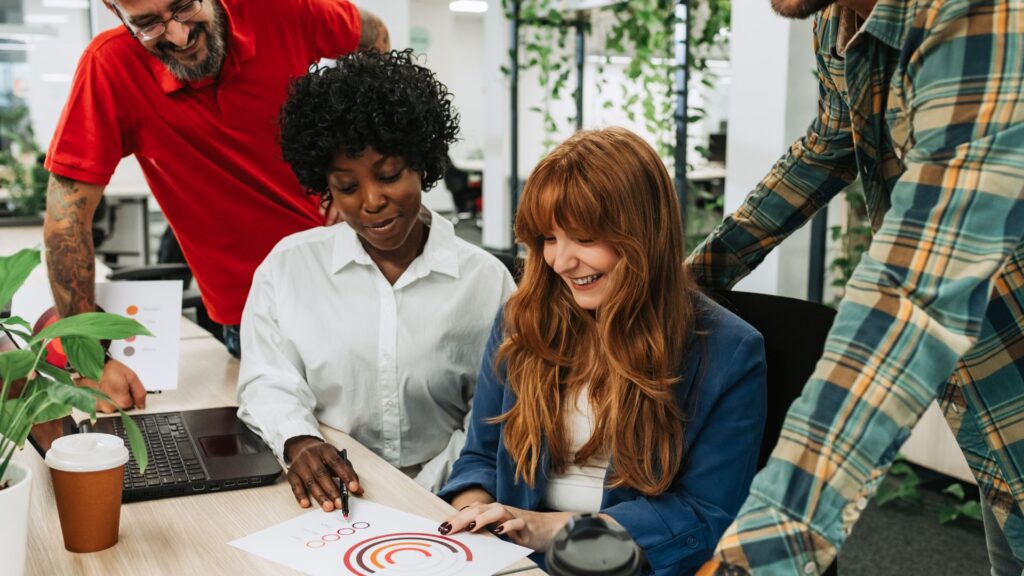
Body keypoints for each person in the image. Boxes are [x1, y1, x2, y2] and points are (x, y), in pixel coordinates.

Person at [689, 0, 1024, 575]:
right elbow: (827, 146)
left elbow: (914, 292)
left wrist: (755, 561)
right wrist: (680, 285)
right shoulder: (838, 21)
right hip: (1000, 391)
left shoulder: (982, 14)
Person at [437, 127, 769, 576]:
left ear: (642, 235)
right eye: (549, 239)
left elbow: (703, 514)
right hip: (513, 559)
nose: (561, 261)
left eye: (584, 239)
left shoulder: (731, 352)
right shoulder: (522, 321)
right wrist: (477, 519)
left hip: (625, 563)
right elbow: (481, 455)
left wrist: (547, 530)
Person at [42, 0, 389, 413]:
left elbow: (375, 36)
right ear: (117, 14)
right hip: (252, 318)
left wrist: (353, 167)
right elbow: (65, 223)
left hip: (354, 282)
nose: (178, 35)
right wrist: (91, 360)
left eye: (184, 7)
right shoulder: (110, 66)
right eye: (149, 24)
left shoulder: (281, 10)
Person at [237, 49, 517, 509]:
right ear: (325, 186)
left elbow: (494, 414)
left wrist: (421, 490)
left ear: (423, 165)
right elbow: (268, 378)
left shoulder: (485, 283)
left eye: (389, 176)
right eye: (347, 187)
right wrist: (300, 442)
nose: (372, 201)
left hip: (452, 497)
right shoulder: (289, 268)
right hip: (324, 497)